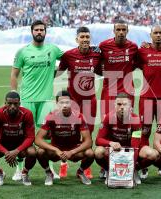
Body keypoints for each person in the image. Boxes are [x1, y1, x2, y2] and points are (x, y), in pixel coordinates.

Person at [10, 20, 63, 180]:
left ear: (45, 32)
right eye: (37, 30)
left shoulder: (53, 49)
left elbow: (68, 59)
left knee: (48, 136)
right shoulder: (22, 52)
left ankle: (50, 169)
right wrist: (14, 95)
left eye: (42, 30)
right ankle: (19, 169)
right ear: (31, 31)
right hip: (26, 99)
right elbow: (14, 74)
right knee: (22, 135)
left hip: (46, 100)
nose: (39, 32)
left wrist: (56, 75)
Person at [57, 26, 102, 178]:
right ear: (76, 39)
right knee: (68, 133)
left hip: (90, 102)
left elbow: (103, 70)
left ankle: (85, 166)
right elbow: (57, 73)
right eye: (82, 37)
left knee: (88, 133)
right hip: (73, 102)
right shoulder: (68, 55)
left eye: (87, 37)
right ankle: (64, 163)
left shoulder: (96, 55)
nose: (85, 40)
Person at [94, 93, 158, 185]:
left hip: (130, 149)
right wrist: (111, 143)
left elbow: (135, 147)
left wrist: (131, 169)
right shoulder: (108, 117)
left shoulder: (135, 119)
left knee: (152, 154)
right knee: (98, 152)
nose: (122, 107)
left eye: (125, 104)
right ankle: (110, 170)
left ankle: (134, 170)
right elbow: (98, 140)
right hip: (113, 149)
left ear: (130, 106)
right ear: (115, 106)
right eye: (119, 104)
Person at [35, 90, 94, 186]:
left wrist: (72, 152)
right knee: (40, 152)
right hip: (56, 150)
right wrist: (56, 150)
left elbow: (88, 141)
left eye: (67, 102)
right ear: (57, 104)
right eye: (61, 102)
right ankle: (49, 173)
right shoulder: (51, 116)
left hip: (73, 149)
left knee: (90, 153)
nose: (65, 105)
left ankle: (80, 172)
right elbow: (37, 139)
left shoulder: (78, 116)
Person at [137, 25, 161, 178]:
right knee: (145, 131)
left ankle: (160, 164)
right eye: (155, 33)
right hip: (146, 98)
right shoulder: (142, 51)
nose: (158, 35)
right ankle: (143, 165)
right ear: (151, 35)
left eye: (160, 33)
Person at [0, 91, 36, 186]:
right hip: (3, 144)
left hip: (20, 144)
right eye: (9, 103)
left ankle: (25, 173)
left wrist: (16, 151)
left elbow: (31, 137)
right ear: (5, 103)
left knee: (32, 152)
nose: (12, 106)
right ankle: (0, 173)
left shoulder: (27, 114)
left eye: (15, 104)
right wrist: (6, 152)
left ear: (19, 104)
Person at [99, 19, 138, 116]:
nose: (121, 32)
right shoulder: (103, 46)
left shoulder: (133, 47)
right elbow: (97, 63)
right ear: (114, 31)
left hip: (127, 90)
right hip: (109, 90)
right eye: (118, 29)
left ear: (127, 31)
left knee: (126, 121)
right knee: (107, 121)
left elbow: (137, 63)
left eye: (123, 30)